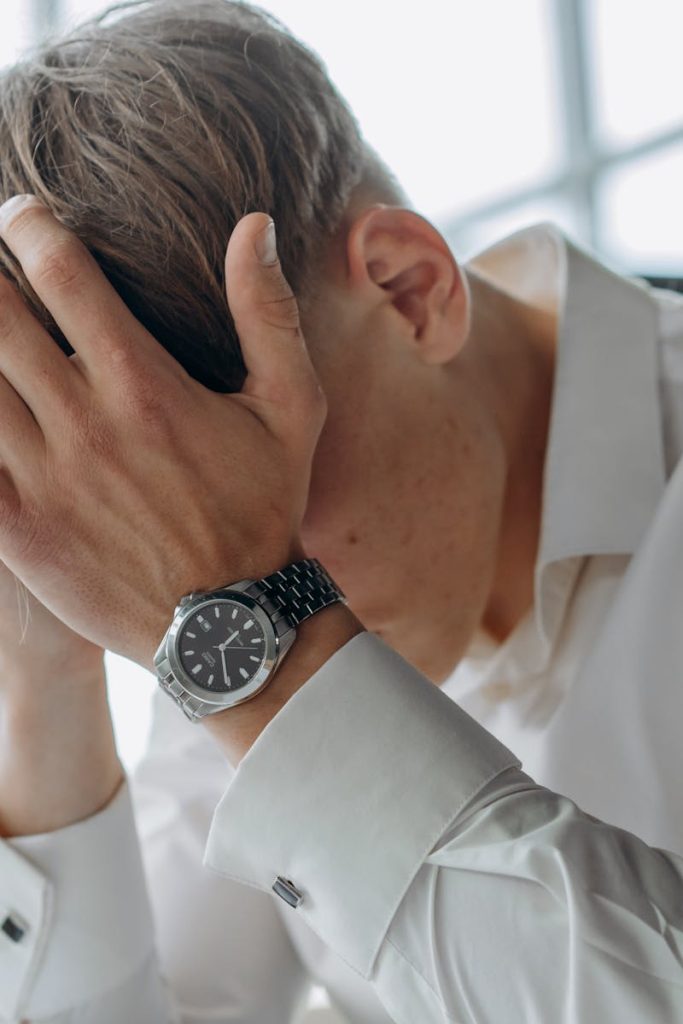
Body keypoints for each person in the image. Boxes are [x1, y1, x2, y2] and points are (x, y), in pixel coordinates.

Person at [0, 1, 681, 1022]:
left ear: (408, 291)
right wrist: (41, 678)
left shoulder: (246, 602)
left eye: (246, 496)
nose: (209, 555)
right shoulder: (204, 601)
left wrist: (264, 628)